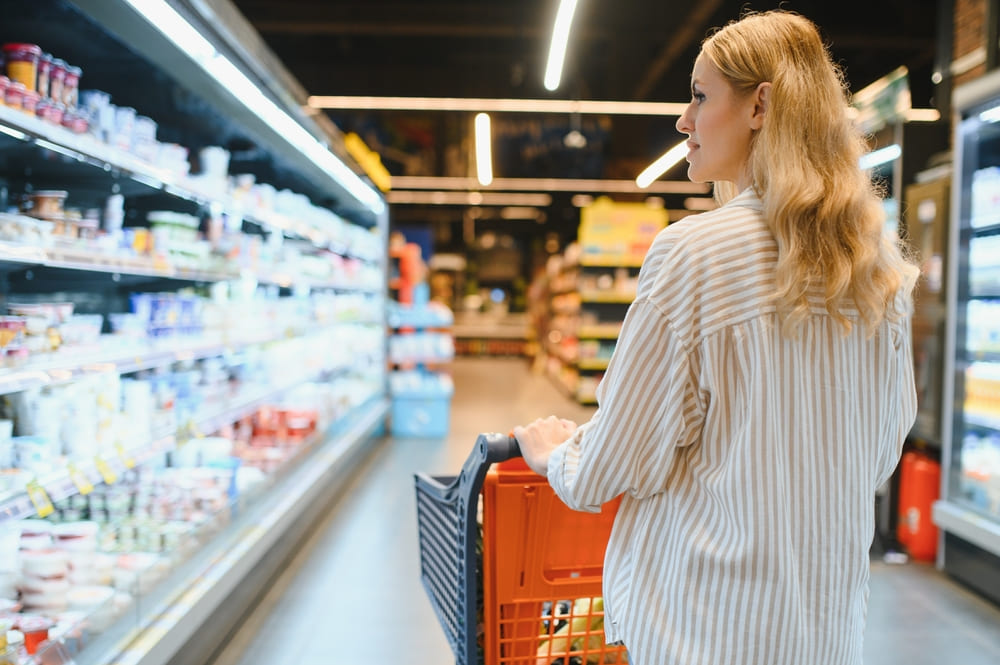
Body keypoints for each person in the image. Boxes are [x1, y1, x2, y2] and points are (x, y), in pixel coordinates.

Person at [513, 9, 918, 665]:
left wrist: (555, 451)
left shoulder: (693, 254)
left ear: (759, 105)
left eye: (699, 96)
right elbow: (874, 458)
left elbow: (609, 467)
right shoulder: (880, 270)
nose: (684, 120)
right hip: (823, 633)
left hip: (701, 630)